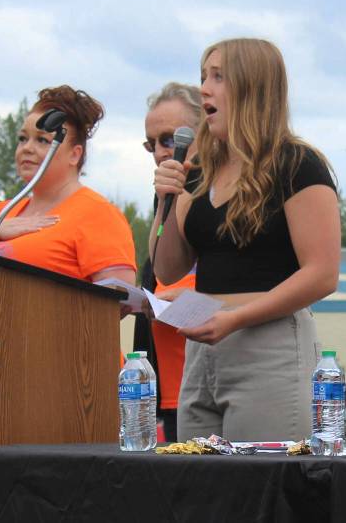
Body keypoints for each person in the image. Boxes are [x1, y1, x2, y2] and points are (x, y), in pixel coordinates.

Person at [152, 38, 340, 442]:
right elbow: (167, 269)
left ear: (253, 86)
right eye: (203, 77)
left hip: (269, 348)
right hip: (203, 351)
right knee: (202, 487)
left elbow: (322, 275)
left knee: (261, 487)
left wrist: (234, 318)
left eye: (218, 77)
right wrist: (164, 199)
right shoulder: (200, 168)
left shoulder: (298, 165)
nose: (204, 89)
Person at [0, 85, 136, 286]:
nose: (27, 148)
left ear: (74, 154)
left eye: (42, 140)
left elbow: (119, 298)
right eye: (23, 138)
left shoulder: (97, 213)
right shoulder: (5, 211)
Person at [138, 82, 202, 442]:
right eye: (152, 144)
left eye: (170, 139)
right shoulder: (166, 193)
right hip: (175, 385)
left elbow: (242, 289)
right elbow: (162, 274)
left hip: (217, 378)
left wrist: (186, 304)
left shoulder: (223, 194)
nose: (162, 152)